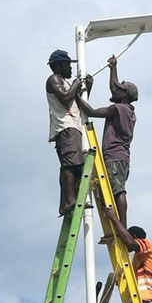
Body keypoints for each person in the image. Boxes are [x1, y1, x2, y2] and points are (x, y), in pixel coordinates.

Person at [76, 55, 137, 227]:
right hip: (122, 157)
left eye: (119, 89)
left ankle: (121, 225)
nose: (114, 90)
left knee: (118, 191)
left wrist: (76, 95)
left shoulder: (118, 109)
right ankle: (119, 223)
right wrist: (113, 68)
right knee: (115, 189)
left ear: (124, 95)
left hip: (115, 157)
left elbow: (92, 111)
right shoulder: (128, 110)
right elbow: (115, 88)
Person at [46, 49, 92, 217]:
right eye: (67, 64)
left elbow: (75, 102)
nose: (70, 68)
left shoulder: (64, 82)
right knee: (70, 165)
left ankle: (68, 201)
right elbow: (65, 98)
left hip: (73, 127)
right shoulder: (54, 80)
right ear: (57, 65)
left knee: (75, 165)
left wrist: (85, 87)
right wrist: (75, 85)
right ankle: (69, 201)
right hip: (66, 127)